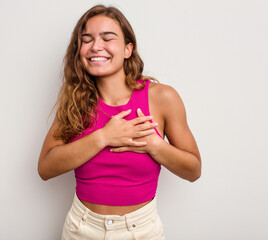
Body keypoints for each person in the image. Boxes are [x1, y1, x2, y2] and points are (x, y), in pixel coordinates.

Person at [38, 4, 201, 240]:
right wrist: (104, 137)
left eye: (107, 38)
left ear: (128, 49)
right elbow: (45, 168)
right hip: (81, 229)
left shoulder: (162, 98)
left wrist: (154, 145)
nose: (96, 46)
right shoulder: (75, 102)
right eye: (86, 39)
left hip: (142, 231)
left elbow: (194, 170)